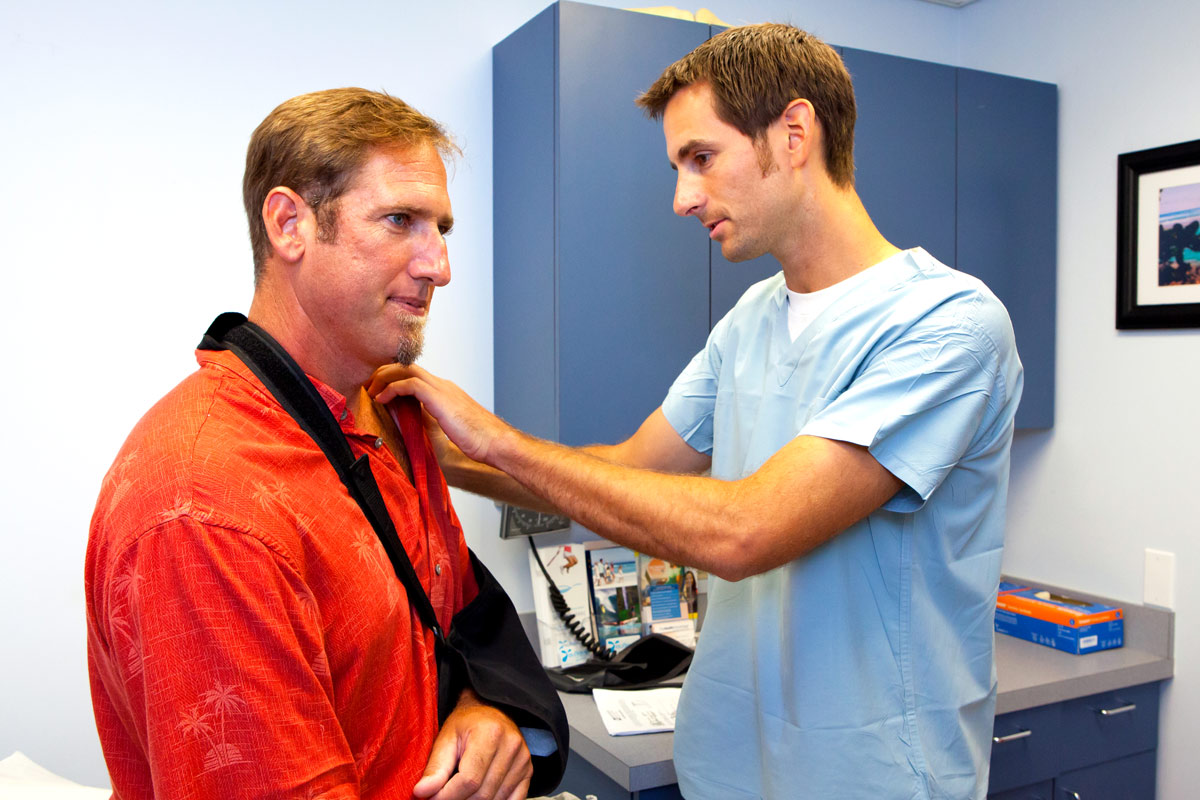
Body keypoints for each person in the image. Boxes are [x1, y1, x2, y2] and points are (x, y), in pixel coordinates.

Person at [369, 23, 1023, 800]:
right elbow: (622, 472)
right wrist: (437, 453)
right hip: (728, 766)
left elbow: (747, 531)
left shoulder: (948, 327)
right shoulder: (749, 322)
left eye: (701, 159)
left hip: (872, 775)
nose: (682, 199)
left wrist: (499, 440)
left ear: (794, 134)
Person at [85, 88, 533, 800]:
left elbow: (448, 628)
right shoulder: (204, 507)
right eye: (400, 221)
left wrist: (481, 708)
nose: (439, 266)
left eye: (440, 228)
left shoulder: (391, 415)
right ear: (289, 224)